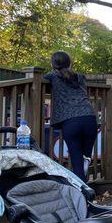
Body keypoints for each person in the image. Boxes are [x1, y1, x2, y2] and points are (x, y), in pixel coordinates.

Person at [45, 52, 97, 182]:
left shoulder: (53, 76)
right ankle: (84, 180)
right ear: (70, 63)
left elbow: (47, 77)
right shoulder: (80, 77)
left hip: (71, 122)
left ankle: (83, 194)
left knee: (76, 159)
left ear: (53, 64)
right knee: (86, 156)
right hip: (89, 118)